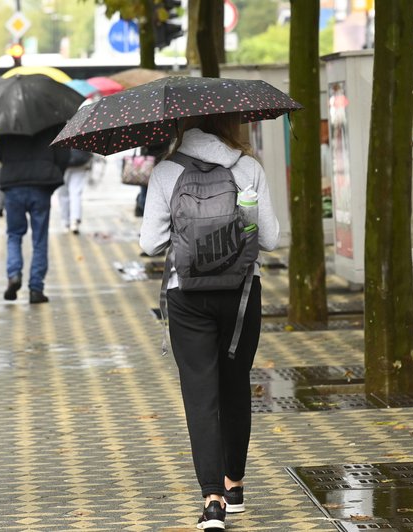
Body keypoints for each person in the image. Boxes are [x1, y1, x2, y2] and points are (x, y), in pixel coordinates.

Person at [139, 113, 279, 530]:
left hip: (187, 295)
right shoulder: (247, 166)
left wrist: (183, 234)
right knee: (235, 384)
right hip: (241, 295)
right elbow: (270, 239)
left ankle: (212, 501)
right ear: (229, 122)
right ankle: (234, 483)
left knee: (201, 394)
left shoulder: (166, 170)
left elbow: (149, 243)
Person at [0, 123, 70, 304]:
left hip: (13, 186)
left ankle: (13, 275)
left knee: (14, 235)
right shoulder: (53, 122)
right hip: (41, 186)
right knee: (39, 239)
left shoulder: (9, 121)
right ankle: (36, 288)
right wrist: (54, 173)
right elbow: (63, 154)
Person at [57, 148, 92, 234]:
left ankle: (65, 222)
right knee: (76, 192)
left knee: (63, 194)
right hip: (81, 161)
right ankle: (74, 220)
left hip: (62, 162)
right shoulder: (84, 133)